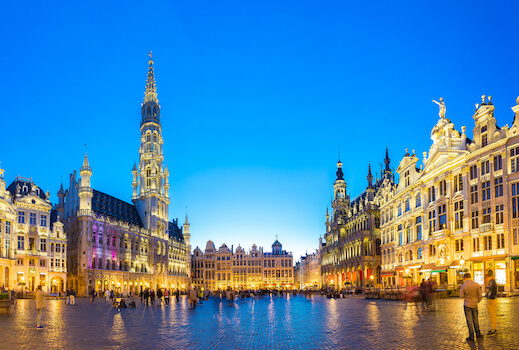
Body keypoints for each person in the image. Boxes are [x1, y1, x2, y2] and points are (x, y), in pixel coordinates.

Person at [460, 272, 483, 341]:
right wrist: (476, 301)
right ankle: (478, 333)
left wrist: (466, 297)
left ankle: (471, 335)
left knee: (469, 320)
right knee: (475, 319)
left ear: (465, 278)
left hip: (467, 304)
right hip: (474, 304)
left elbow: (461, 296)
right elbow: (480, 296)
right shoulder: (476, 284)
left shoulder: (464, 285)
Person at [486, 270, 498, 336]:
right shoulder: (493, 281)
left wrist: (489, 296)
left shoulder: (491, 282)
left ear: (488, 277)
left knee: (492, 315)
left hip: (491, 300)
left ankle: (493, 330)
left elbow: (491, 291)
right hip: (492, 299)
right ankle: (493, 329)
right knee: (492, 315)